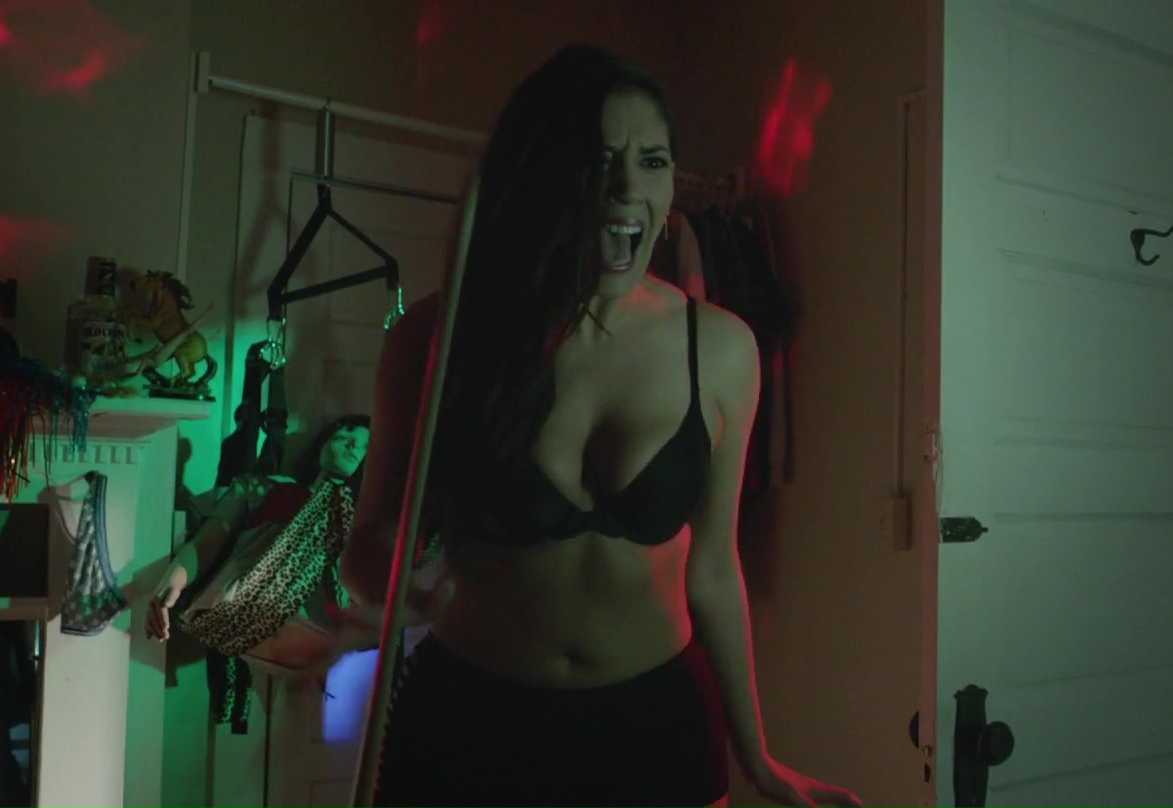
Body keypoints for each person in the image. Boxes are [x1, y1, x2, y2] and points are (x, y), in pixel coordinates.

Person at [342, 45, 861, 808]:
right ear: (540, 178)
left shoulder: (720, 350)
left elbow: (714, 568)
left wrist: (757, 756)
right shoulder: (439, 338)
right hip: (472, 725)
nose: (626, 188)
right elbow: (368, 547)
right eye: (598, 160)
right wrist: (397, 579)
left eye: (652, 161)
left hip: (654, 729)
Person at [146, 414, 372, 680]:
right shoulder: (264, 487)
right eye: (347, 432)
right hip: (242, 608)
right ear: (323, 442)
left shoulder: (357, 522)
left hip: (317, 632)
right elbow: (207, 544)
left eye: (365, 446)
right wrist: (172, 583)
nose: (353, 445)